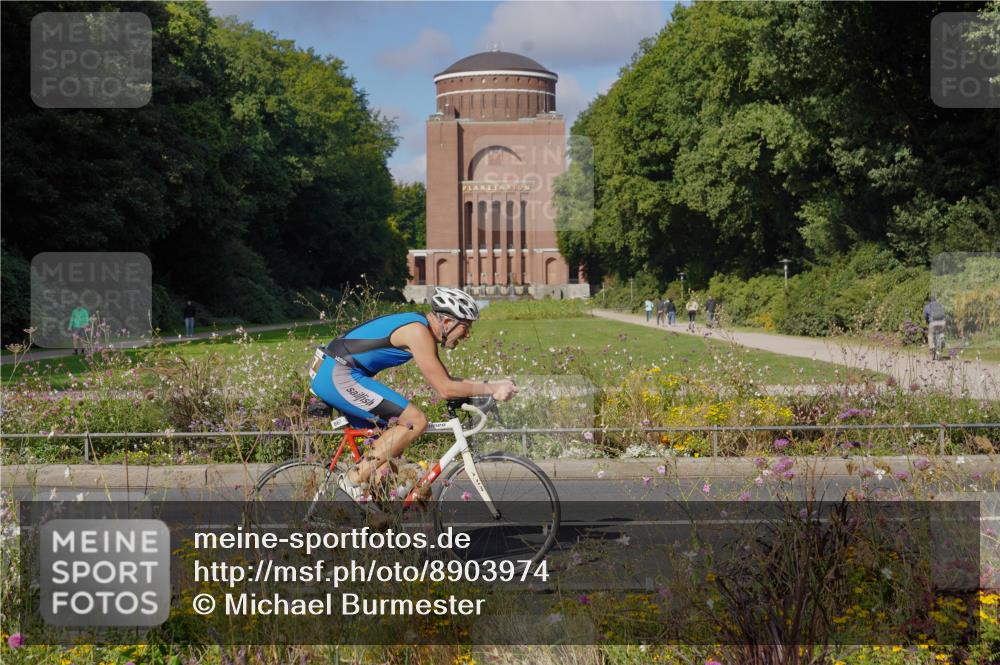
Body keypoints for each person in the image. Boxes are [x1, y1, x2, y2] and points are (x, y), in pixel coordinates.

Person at [309, 287, 517, 501]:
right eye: (465, 327)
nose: (467, 335)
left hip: (334, 370)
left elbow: (448, 381)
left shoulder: (419, 326)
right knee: (415, 421)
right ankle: (352, 479)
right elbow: (445, 388)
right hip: (337, 373)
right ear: (447, 322)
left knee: (391, 451)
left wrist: (490, 385)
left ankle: (380, 520)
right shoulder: (418, 332)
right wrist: (491, 387)